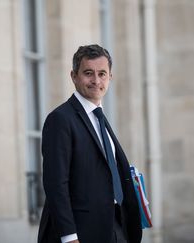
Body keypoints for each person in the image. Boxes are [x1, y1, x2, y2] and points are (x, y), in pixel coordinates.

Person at [37, 44, 142, 243]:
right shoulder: (60, 119)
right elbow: (55, 183)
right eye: (88, 73)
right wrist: (69, 237)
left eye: (102, 73)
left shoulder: (100, 118)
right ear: (73, 76)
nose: (96, 80)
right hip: (81, 234)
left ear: (110, 77)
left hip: (116, 227)